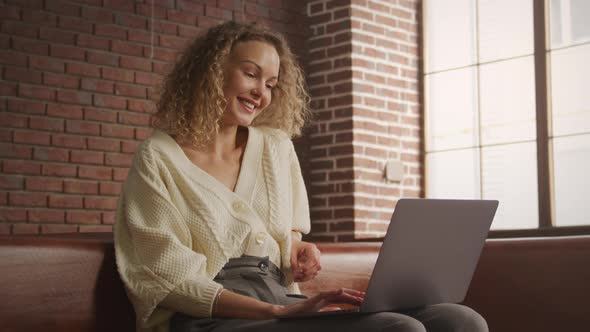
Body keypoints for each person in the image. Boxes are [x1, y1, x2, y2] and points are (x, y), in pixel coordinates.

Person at [114, 21, 488, 332]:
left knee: (460, 320)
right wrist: (279, 312)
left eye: (272, 84)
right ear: (212, 71)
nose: (261, 92)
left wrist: (296, 250)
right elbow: (164, 278)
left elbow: (287, 236)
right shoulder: (158, 158)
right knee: (398, 329)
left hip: (279, 295)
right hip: (212, 314)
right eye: (251, 74)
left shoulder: (276, 147)